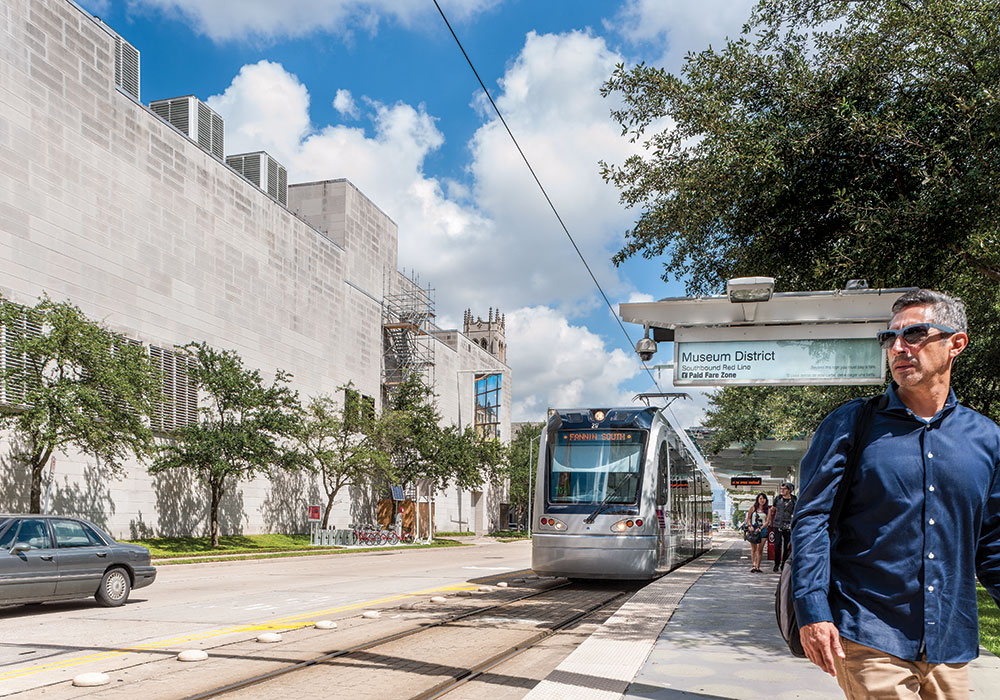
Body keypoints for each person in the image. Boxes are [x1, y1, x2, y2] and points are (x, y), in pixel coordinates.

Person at [792, 289, 1000, 699]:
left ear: (956, 343)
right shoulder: (852, 424)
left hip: (950, 642)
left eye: (915, 334)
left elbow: (993, 541)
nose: (899, 348)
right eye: (890, 339)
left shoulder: (988, 439)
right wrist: (812, 610)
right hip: (869, 630)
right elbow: (811, 519)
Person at [770, 482, 796, 572]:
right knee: (777, 545)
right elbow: (772, 509)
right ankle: (776, 564)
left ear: (789, 490)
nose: (782, 490)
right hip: (778, 524)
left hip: (788, 525)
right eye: (781, 489)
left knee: (787, 546)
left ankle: (784, 564)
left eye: (784, 489)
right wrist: (769, 519)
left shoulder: (794, 499)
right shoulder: (778, 499)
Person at [745, 492, 770, 573]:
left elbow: (767, 521)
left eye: (764, 498)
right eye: (760, 498)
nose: (762, 500)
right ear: (758, 499)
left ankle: (758, 567)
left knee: (760, 549)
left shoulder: (767, 510)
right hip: (753, 529)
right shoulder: (753, 508)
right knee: (753, 549)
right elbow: (748, 519)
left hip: (763, 530)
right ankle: (754, 566)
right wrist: (750, 526)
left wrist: (761, 528)